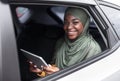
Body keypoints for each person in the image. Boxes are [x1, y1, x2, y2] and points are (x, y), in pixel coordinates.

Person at [29, 7, 101, 77]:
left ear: (85, 23)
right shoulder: (61, 42)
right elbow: (53, 67)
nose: (69, 27)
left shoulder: (93, 49)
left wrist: (60, 74)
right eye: (66, 22)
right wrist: (42, 71)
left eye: (75, 22)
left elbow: (90, 77)